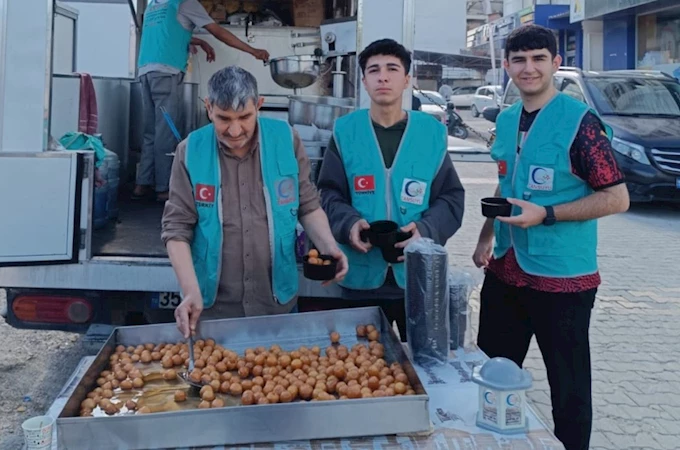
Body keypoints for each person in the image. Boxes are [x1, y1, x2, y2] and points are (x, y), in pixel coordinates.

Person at [471, 24, 630, 450]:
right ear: (506, 66)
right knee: (492, 372)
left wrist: (549, 214)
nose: (528, 68)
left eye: (539, 59)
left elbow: (617, 198)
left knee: (569, 387)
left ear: (556, 64)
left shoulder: (581, 123)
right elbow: (506, 183)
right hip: (506, 270)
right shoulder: (505, 120)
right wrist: (486, 235)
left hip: (562, 277)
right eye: (519, 60)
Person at [162, 66, 348, 338]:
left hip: (276, 305)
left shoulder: (286, 140)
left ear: (259, 105)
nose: (235, 130)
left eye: (245, 117)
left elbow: (307, 205)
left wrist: (329, 247)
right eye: (224, 118)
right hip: (214, 310)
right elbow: (176, 229)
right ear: (208, 107)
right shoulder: (190, 152)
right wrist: (190, 291)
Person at [311, 38, 465, 341]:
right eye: (374, 70)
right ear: (365, 82)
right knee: (362, 372)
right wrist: (349, 225)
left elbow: (451, 198)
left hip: (417, 276)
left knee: (424, 364)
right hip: (360, 275)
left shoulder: (431, 133)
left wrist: (425, 230)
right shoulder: (346, 131)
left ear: (406, 80)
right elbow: (328, 194)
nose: (383, 76)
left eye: (392, 69)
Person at [134, 0, 271, 202]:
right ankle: (163, 188)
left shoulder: (156, 4)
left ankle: (141, 183)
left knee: (151, 131)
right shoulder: (185, 3)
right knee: (166, 131)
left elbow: (166, 34)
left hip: (145, 70)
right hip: (166, 73)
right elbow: (217, 31)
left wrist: (197, 41)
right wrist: (252, 51)